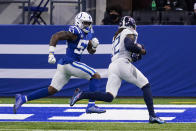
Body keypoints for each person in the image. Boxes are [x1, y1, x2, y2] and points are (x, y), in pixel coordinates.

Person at [70, 16, 166, 124]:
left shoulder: (116, 36)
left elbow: (127, 51)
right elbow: (129, 45)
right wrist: (142, 51)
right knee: (145, 85)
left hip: (113, 66)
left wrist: (135, 54)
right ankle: (152, 116)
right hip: (122, 64)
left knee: (109, 96)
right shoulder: (129, 31)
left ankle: (81, 94)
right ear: (131, 25)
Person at [13, 12, 106, 114]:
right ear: (78, 22)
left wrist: (94, 46)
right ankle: (90, 105)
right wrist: (51, 53)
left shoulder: (88, 34)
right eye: (85, 23)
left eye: (89, 23)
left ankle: (23, 98)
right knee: (95, 76)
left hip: (65, 65)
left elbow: (90, 52)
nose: (87, 25)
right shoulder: (75, 32)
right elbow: (56, 36)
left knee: (52, 89)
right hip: (70, 62)